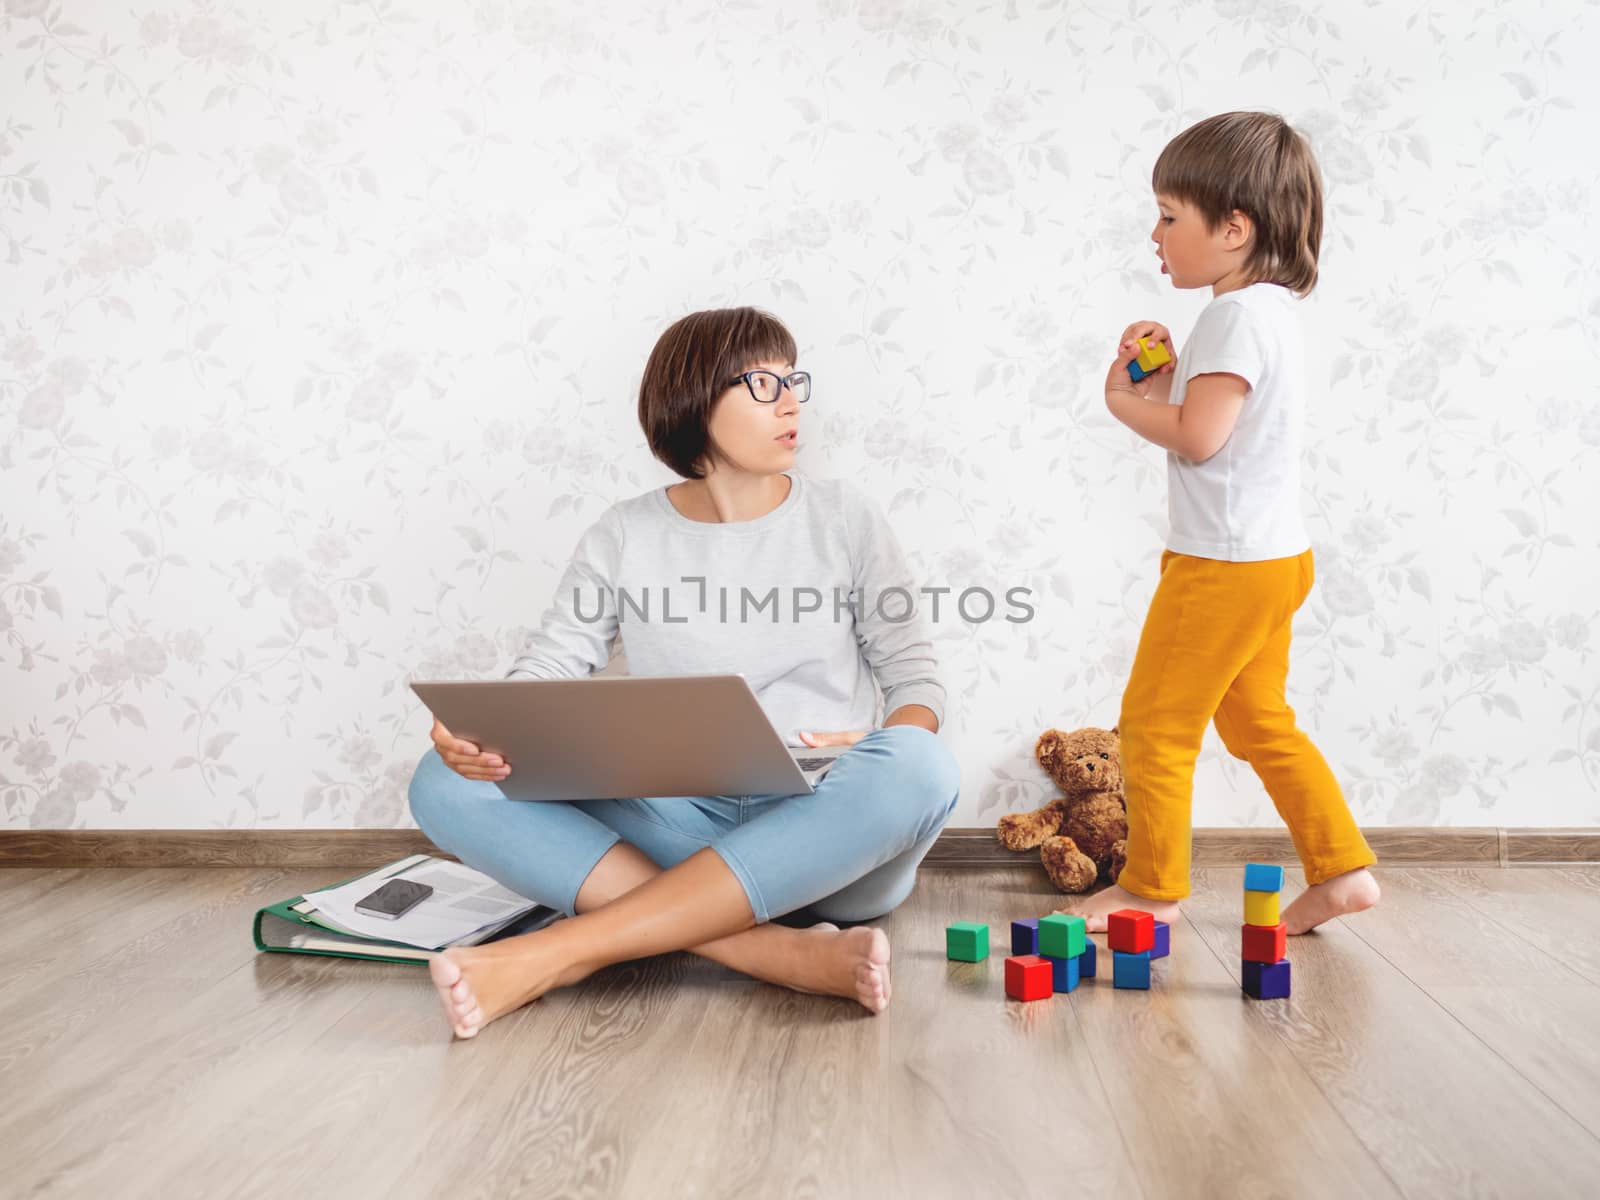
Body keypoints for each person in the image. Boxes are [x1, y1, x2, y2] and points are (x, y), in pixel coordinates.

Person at [409, 306, 960, 1037]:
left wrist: (874, 743)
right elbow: (551, 665)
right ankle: (777, 955)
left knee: (919, 764)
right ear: (697, 399)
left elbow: (915, 678)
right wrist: (477, 733)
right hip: (682, 824)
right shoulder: (625, 533)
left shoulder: (844, 518)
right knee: (442, 780)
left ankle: (557, 952)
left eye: (794, 380)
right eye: (764, 384)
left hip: (830, 836)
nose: (793, 401)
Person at [1065, 111, 1380, 935]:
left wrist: (1123, 400)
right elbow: (1216, 424)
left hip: (1223, 565)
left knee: (1155, 727)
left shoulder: (1232, 317)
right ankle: (1342, 867)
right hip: (1274, 556)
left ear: (1234, 228)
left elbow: (1200, 440)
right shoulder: (1268, 312)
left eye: (1170, 215)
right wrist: (1163, 381)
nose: (1155, 233)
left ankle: (1151, 888)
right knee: (1258, 723)